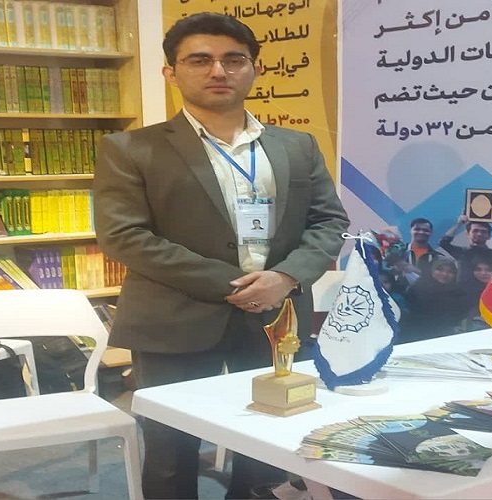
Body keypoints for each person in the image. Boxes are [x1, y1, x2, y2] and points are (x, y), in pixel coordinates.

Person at [93, 12, 350, 499]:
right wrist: (232, 284)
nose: (218, 71)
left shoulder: (297, 146)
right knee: (171, 447)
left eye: (234, 60)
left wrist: (285, 278)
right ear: (171, 72)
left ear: (254, 69)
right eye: (200, 60)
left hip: (276, 315)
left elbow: (328, 221)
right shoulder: (130, 148)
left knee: (268, 441)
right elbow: (124, 236)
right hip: (174, 317)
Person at [398, 258, 469, 343]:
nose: (445, 274)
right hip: (416, 336)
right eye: (440, 269)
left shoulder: (459, 293)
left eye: (450, 271)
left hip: (447, 338)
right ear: (431, 270)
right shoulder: (417, 289)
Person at [439, 215, 492, 285]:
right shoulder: (462, 253)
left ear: (489, 236)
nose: (479, 234)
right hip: (464, 291)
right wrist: (459, 224)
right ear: (467, 234)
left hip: (489, 291)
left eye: (483, 232)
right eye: (475, 231)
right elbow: (443, 243)